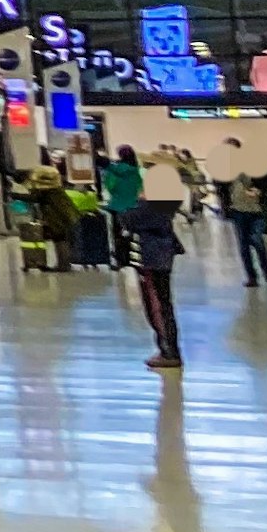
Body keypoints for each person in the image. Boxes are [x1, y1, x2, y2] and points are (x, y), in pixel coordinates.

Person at [123, 191, 186, 369]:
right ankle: (166, 348)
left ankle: (169, 351)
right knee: (160, 304)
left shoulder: (153, 206)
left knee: (157, 306)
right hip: (156, 258)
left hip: (153, 260)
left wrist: (140, 203)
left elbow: (128, 219)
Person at [218, 142, 267, 286]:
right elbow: (221, 188)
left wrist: (258, 190)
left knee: (257, 240)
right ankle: (252, 277)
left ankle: (266, 270)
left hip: (256, 209)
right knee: (243, 245)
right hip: (237, 210)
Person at [103, 146, 145, 267]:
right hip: (132, 206)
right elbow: (139, 188)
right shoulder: (136, 170)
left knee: (116, 234)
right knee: (129, 233)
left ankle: (119, 259)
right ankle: (129, 258)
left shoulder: (116, 170)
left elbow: (110, 186)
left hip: (116, 206)